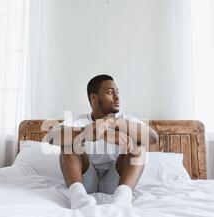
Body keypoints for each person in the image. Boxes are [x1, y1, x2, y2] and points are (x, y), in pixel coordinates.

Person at [46, 75, 159, 209]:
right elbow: (52, 137)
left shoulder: (127, 121)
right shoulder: (79, 121)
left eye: (117, 92)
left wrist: (109, 122)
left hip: (117, 180)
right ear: (94, 98)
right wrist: (88, 133)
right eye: (110, 93)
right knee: (69, 144)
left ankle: (122, 200)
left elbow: (152, 138)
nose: (117, 97)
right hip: (86, 180)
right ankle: (78, 198)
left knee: (139, 145)